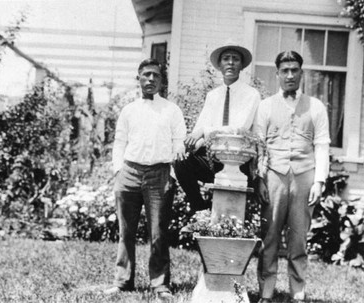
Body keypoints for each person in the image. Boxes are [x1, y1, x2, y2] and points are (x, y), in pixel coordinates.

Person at [105, 58, 187, 300]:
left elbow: (179, 142)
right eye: (146, 75)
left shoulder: (172, 110)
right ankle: (122, 281)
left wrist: (171, 174)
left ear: (162, 81)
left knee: (158, 232)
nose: (150, 79)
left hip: (159, 174)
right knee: (126, 231)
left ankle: (160, 284)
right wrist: (119, 171)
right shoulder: (129, 110)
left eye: (155, 76)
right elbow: (119, 142)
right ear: (138, 78)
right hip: (129, 172)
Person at [255, 51, 330, 303]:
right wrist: (259, 179)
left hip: (304, 178)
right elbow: (259, 146)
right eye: (284, 70)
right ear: (277, 73)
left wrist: (319, 181)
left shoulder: (316, 106)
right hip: (274, 177)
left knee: (298, 239)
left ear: (301, 73)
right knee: (270, 237)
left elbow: (322, 145)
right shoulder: (265, 106)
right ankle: (266, 291)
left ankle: (297, 293)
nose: (289, 75)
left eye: (294, 70)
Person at [173, 40, 261, 212]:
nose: (230, 62)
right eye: (226, 59)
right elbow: (200, 129)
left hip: (239, 160)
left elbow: (239, 128)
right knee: (181, 162)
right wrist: (187, 147)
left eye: (235, 59)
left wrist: (203, 132)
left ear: (241, 65)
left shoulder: (251, 95)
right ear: (219, 65)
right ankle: (199, 207)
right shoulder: (213, 96)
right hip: (213, 159)